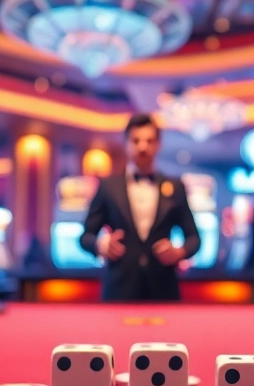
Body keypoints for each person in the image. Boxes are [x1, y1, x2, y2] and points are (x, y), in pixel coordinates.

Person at [80, 114, 200, 301]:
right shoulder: (108, 187)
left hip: (164, 290)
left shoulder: (176, 187)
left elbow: (194, 238)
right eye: (136, 141)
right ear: (126, 143)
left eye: (149, 141)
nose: (143, 147)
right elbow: (85, 236)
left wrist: (179, 252)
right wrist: (101, 244)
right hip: (118, 291)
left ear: (158, 144)